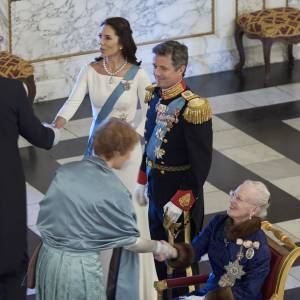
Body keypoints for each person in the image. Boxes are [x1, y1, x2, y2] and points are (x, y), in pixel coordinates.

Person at [52, 17, 157, 299]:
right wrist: (57, 124)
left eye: (107, 37)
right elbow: (73, 100)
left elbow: (150, 111)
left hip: (127, 154)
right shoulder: (90, 70)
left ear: (121, 41)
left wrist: (131, 137)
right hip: (99, 151)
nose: (101, 42)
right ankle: (97, 276)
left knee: (131, 214)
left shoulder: (137, 75)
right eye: (100, 37)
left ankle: (139, 281)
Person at [35, 118, 177, 300]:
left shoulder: (65, 172)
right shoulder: (114, 190)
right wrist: (161, 248)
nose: (129, 157)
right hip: (79, 270)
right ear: (117, 152)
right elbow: (131, 241)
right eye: (129, 151)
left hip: (48, 262)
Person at [134, 40, 213, 293]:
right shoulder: (155, 94)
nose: (157, 72)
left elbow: (200, 165)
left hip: (181, 193)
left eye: (164, 68)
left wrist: (181, 200)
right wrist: (142, 180)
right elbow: (149, 143)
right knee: (159, 252)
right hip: (157, 187)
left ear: (181, 70)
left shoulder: (193, 108)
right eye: (155, 66)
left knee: (180, 258)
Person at [0, 53, 59, 300]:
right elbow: (38, 136)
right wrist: (53, 133)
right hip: (5, 186)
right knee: (10, 259)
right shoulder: (10, 89)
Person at [166, 180, 271, 300]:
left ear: (254, 210)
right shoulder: (219, 222)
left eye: (239, 199)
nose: (232, 200)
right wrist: (172, 252)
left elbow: (248, 293)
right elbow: (195, 250)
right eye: (233, 194)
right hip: (210, 292)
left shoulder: (258, 248)